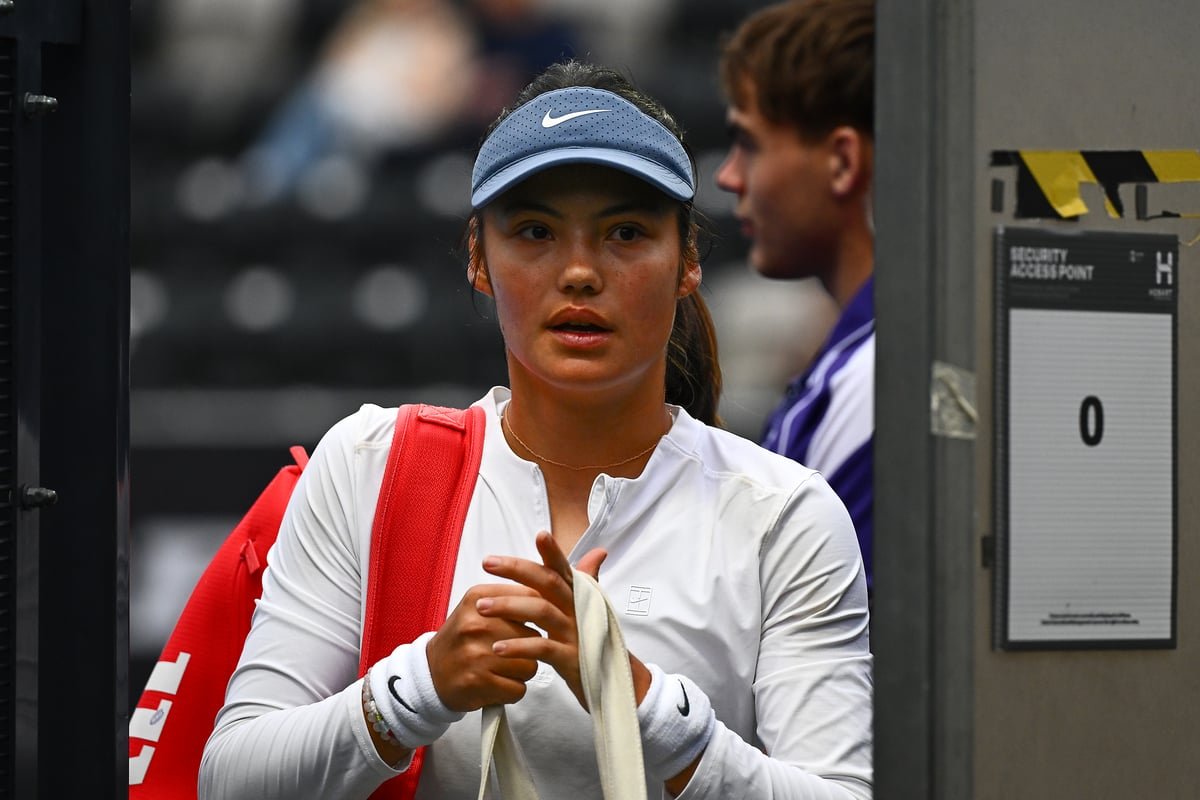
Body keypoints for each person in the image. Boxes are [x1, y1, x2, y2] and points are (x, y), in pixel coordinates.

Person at [200, 60, 871, 799]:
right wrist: (419, 688)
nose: (580, 272)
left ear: (686, 263)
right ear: (478, 260)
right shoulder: (367, 464)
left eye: (624, 231)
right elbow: (232, 778)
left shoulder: (784, 512)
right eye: (534, 231)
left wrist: (646, 708)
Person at [716, 0, 877, 590]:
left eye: (750, 143)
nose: (729, 176)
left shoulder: (878, 380)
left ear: (841, 161)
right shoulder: (873, 360)